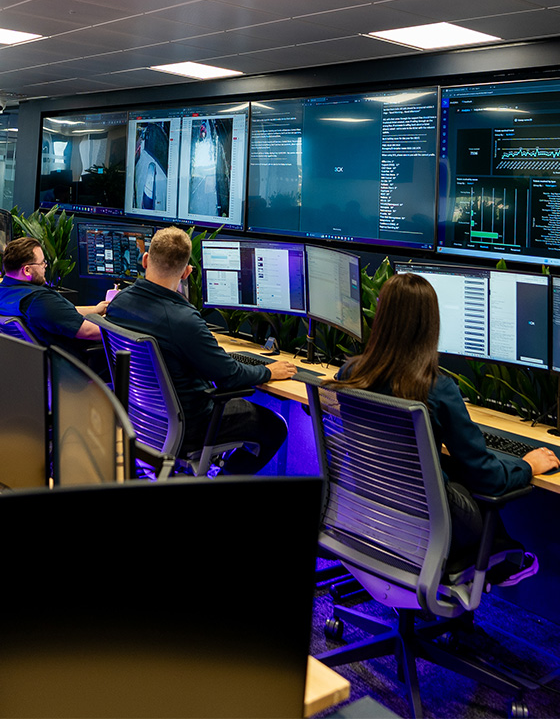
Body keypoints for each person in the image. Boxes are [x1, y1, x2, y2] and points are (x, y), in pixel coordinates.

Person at [331, 272, 560, 583]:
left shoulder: (351, 372)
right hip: (432, 525)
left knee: (453, 473)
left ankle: (501, 553)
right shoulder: (435, 388)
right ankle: (502, 554)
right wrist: (527, 465)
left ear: (380, 315)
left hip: (373, 512)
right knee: (470, 481)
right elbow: (488, 477)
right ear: (430, 325)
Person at [106, 226, 297, 474]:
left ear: (145, 260)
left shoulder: (118, 303)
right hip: (190, 424)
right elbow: (230, 376)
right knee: (274, 426)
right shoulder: (183, 320)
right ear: (186, 272)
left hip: (140, 420)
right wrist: (268, 371)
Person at [0, 237, 107, 358]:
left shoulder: (5, 292)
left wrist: (94, 310)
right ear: (27, 270)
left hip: (30, 365)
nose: (45, 266)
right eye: (42, 263)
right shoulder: (38, 300)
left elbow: (58, 314)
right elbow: (89, 332)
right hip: (70, 365)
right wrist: (123, 330)